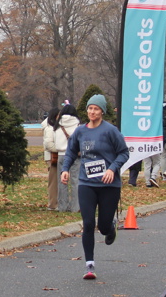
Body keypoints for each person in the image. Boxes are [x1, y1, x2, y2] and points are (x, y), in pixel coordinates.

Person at [61, 94, 129, 281]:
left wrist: (112, 169)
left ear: (102, 111)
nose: (92, 112)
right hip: (86, 183)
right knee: (88, 223)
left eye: (96, 109)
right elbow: (71, 152)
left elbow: (124, 153)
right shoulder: (80, 131)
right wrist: (65, 169)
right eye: (90, 108)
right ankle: (89, 265)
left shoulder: (110, 131)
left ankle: (110, 227)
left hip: (109, 185)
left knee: (103, 227)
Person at [44, 104, 80, 211]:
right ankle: (75, 206)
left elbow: (54, 141)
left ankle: (62, 206)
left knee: (62, 181)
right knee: (75, 181)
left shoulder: (58, 125)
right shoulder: (78, 125)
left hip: (60, 155)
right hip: (75, 155)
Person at [42, 107, 62, 211]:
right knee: (53, 181)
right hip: (52, 157)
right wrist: (61, 149)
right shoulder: (50, 128)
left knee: (56, 180)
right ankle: (53, 204)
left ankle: (56, 202)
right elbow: (48, 144)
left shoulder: (53, 127)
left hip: (53, 156)